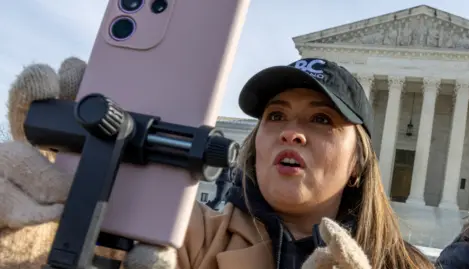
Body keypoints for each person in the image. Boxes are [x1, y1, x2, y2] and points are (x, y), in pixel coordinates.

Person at [0, 57, 434, 269]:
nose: (291, 132)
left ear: (359, 162)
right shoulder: (184, 234)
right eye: (275, 115)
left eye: (321, 119)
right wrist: (38, 227)